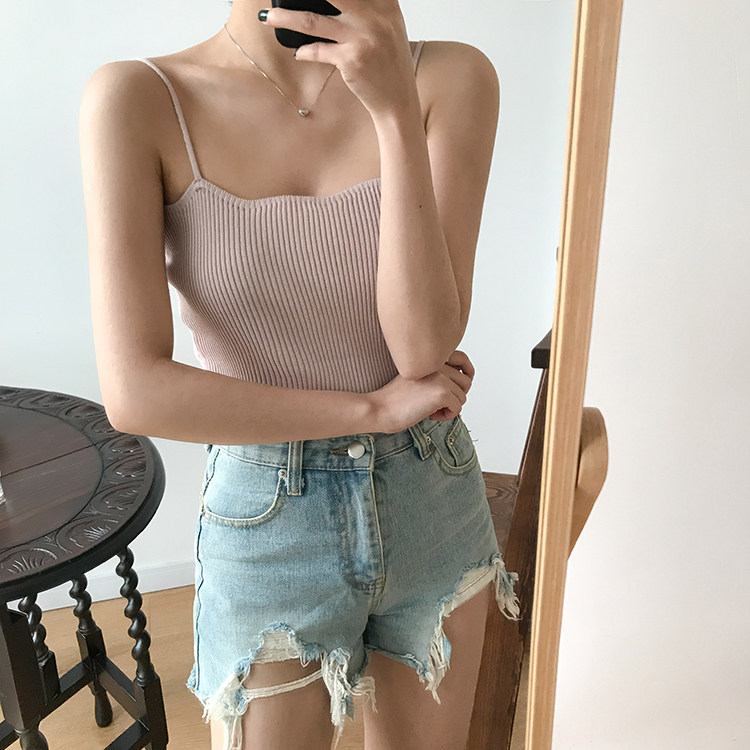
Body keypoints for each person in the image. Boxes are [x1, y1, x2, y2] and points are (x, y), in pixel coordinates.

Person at [78, 1, 520, 748]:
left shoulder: (450, 77)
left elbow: (422, 349)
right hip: (266, 515)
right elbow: (136, 390)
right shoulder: (138, 98)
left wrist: (393, 110)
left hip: (428, 492)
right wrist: (369, 410)